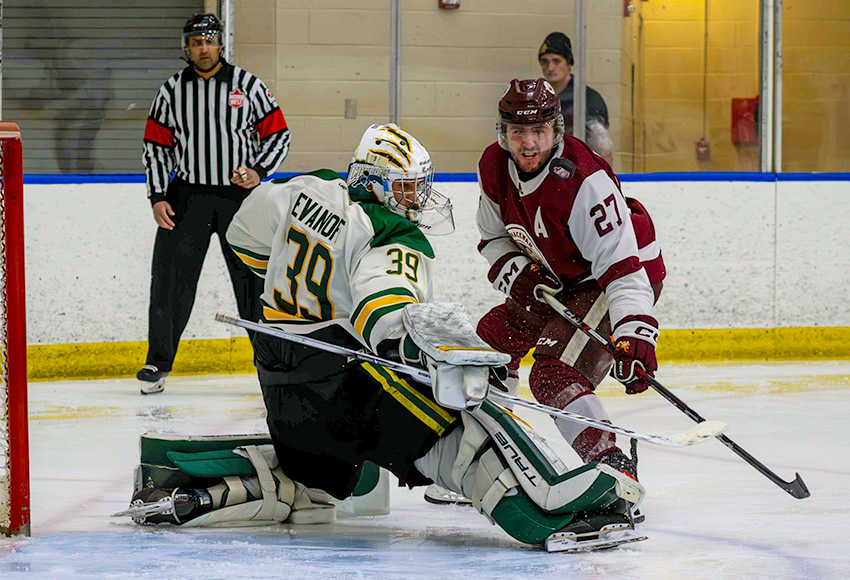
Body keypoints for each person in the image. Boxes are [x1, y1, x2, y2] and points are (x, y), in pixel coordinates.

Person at [117, 124, 646, 552]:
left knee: (324, 485)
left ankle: (197, 490)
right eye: (408, 186)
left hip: (282, 386)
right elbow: (388, 317)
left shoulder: (309, 187)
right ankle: (558, 504)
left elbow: (243, 238)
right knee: (464, 426)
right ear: (375, 181)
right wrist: (447, 359)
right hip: (345, 390)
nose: (417, 199)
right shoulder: (392, 234)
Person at [475, 78, 666, 480]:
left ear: (556, 130)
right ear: (502, 133)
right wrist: (520, 276)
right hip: (557, 277)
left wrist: (635, 333)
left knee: (554, 374)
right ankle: (489, 454)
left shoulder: (583, 181)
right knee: (488, 345)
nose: (528, 145)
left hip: (611, 280)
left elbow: (623, 269)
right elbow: (493, 237)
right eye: (517, 132)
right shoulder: (494, 166)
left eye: (538, 131)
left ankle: (613, 470)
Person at [138, 13, 290, 394]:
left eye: (209, 40)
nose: (203, 48)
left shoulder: (248, 86)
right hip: (187, 198)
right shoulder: (171, 91)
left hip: (239, 198)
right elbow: (157, 147)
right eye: (195, 42)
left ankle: (270, 365)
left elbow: (278, 135)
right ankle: (157, 363)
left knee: (255, 284)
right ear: (186, 47)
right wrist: (158, 196)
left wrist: (259, 170)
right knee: (170, 282)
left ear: (221, 43)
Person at [538, 32, 614, 164]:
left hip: (580, 171)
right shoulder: (537, 98)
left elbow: (603, 150)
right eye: (544, 62)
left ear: (569, 63)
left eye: (556, 61)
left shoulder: (587, 98)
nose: (550, 68)